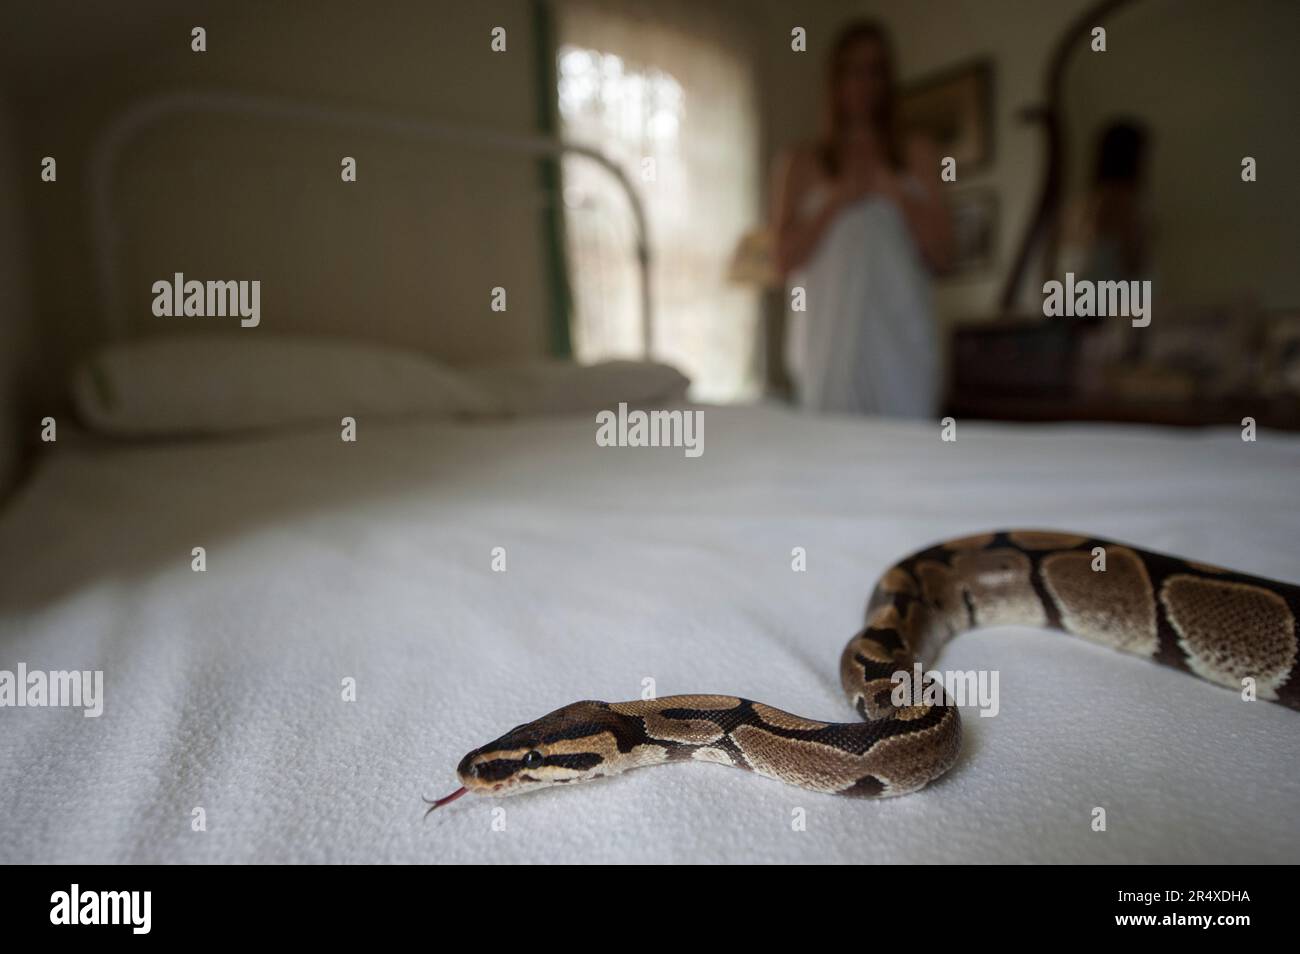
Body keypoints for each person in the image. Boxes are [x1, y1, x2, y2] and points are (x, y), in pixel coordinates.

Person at [771, 20, 951, 417]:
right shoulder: (799, 162)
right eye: (853, 71)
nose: (864, 83)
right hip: (826, 348)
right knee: (830, 463)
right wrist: (838, 200)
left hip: (903, 347)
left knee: (908, 464)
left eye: (875, 71)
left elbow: (943, 257)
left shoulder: (919, 153)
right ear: (835, 81)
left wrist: (897, 195)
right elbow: (781, 262)